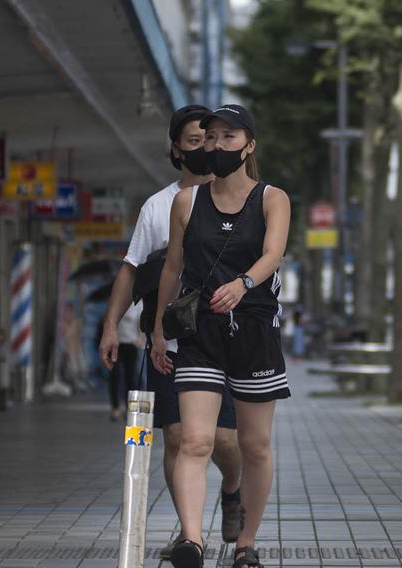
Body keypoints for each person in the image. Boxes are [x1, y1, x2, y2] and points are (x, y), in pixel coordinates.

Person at [98, 104, 243, 559]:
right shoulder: (159, 207)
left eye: (213, 140)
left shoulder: (243, 201)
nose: (206, 149)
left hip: (227, 340)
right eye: (195, 142)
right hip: (170, 341)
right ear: (176, 150)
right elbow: (130, 269)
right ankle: (190, 535)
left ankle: (233, 488)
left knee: (223, 441)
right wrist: (109, 328)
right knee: (178, 437)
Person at [151, 104, 291, 568]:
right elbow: (173, 268)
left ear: (249, 145)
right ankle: (191, 540)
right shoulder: (186, 202)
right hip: (200, 334)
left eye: (229, 137)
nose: (217, 145)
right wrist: (157, 330)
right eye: (211, 137)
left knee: (254, 445)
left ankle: (246, 544)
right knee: (193, 440)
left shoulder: (273, 198)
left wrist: (244, 283)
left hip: (254, 329)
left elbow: (273, 253)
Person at [107, 300, 143, 421]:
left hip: (132, 343)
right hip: (116, 343)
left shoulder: (139, 303)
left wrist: (139, 338)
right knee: (115, 375)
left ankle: (131, 409)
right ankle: (115, 407)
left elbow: (140, 323)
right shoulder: (116, 302)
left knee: (132, 377)